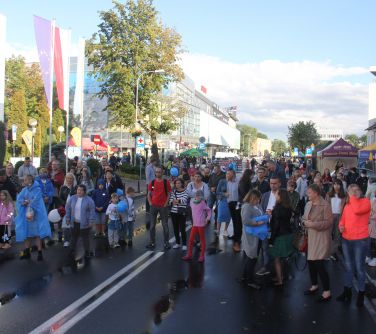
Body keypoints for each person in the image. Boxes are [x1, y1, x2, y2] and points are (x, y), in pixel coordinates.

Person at [337, 184, 371, 307]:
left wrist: (352, 197)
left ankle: (361, 294)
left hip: (360, 240)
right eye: (352, 190)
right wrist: (340, 226)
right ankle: (347, 292)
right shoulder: (348, 205)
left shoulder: (365, 201)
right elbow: (343, 219)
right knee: (348, 267)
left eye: (357, 189)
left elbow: (357, 210)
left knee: (359, 269)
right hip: (346, 239)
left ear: (361, 191)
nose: (355, 192)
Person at [302, 184, 333, 302]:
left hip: (320, 239)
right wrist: (305, 222)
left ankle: (327, 291)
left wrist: (312, 224)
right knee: (310, 262)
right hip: (309, 237)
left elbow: (328, 223)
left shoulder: (325, 205)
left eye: (309, 193)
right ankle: (314, 285)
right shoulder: (308, 204)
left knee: (319, 264)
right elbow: (304, 218)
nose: (307, 194)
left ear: (316, 193)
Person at [15, 174, 52, 261]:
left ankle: (40, 253)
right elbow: (19, 198)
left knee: (37, 235)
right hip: (26, 216)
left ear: (30, 180)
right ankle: (27, 252)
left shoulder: (37, 189)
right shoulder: (24, 189)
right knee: (26, 234)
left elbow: (37, 200)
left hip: (35, 216)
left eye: (25, 180)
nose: (24, 181)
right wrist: (23, 202)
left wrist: (28, 202)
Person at [239, 189, 264, 290]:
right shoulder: (247, 206)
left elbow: (260, 214)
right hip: (251, 236)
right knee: (252, 257)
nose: (258, 201)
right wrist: (258, 223)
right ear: (251, 198)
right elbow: (245, 221)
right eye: (256, 199)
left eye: (259, 199)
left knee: (250, 257)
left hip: (258, 234)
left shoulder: (256, 205)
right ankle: (249, 280)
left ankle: (245, 277)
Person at [269, 189, 294, 286]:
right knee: (283, 258)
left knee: (277, 259)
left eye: (276, 194)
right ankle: (281, 276)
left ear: (280, 196)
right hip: (288, 234)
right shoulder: (288, 207)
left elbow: (276, 226)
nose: (275, 195)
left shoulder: (277, 208)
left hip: (279, 236)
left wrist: (271, 240)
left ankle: (279, 280)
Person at [257, 176, 281, 276]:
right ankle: (266, 267)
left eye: (275, 183)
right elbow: (261, 209)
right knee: (265, 247)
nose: (272, 185)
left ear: (279, 183)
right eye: (271, 183)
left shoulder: (283, 195)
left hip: (278, 226)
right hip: (266, 225)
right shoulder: (265, 195)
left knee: (278, 248)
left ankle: (280, 269)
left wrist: (273, 214)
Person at [65, 184, 96, 259]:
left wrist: (91, 221)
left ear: (84, 192)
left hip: (84, 223)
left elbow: (92, 211)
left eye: (81, 190)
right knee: (73, 237)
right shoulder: (72, 198)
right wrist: (68, 218)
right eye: (78, 190)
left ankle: (87, 252)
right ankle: (71, 250)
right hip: (74, 222)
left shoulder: (89, 200)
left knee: (85, 238)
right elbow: (68, 208)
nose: (79, 191)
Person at [146, 166, 172, 250]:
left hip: (163, 206)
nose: (158, 173)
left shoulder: (166, 182)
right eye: (156, 172)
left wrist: (166, 203)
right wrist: (150, 202)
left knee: (165, 225)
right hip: (153, 206)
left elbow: (169, 194)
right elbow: (149, 193)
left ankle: (166, 242)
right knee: (152, 226)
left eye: (159, 172)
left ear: (162, 172)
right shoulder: (152, 182)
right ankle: (152, 242)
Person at [182, 190, 211, 262]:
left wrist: (207, 218)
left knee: (202, 240)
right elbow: (188, 208)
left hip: (201, 224)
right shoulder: (192, 202)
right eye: (197, 196)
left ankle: (202, 256)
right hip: (194, 224)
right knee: (191, 240)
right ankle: (189, 254)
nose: (199, 197)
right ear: (195, 196)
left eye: (200, 196)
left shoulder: (203, 203)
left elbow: (209, 210)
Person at [326, 179, 346, 260]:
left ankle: (333, 251)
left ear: (341, 186)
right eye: (335, 184)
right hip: (330, 216)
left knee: (337, 235)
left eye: (338, 184)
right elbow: (326, 206)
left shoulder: (344, 196)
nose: (336, 186)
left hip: (339, 216)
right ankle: (327, 251)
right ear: (332, 185)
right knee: (328, 234)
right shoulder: (328, 194)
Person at [58, 173, 77, 247]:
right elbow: (60, 198)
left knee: (73, 226)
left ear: (73, 179)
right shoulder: (63, 187)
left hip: (74, 209)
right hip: (65, 209)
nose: (69, 180)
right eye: (67, 178)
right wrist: (65, 205)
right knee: (65, 225)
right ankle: (66, 240)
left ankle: (73, 240)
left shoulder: (76, 188)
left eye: (71, 178)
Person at [169, 179, 189, 250]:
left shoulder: (186, 191)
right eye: (176, 183)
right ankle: (177, 243)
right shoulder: (173, 192)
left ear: (182, 184)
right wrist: (173, 202)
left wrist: (177, 201)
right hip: (173, 212)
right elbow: (171, 201)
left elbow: (184, 200)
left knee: (182, 228)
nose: (177, 184)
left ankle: (184, 244)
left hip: (182, 212)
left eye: (179, 183)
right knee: (175, 228)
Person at [145, 157, 157, 229]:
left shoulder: (153, 167)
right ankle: (147, 208)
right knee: (148, 194)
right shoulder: (148, 167)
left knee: (151, 194)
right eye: (155, 161)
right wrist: (150, 184)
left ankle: (150, 206)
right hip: (150, 184)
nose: (156, 163)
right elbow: (147, 176)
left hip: (153, 183)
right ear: (153, 161)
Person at [367, 195, 376, 267]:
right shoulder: (373, 199)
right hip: (371, 224)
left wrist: (371, 215)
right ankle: (368, 256)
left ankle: (375, 258)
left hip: (373, 223)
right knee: (369, 241)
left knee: (374, 242)